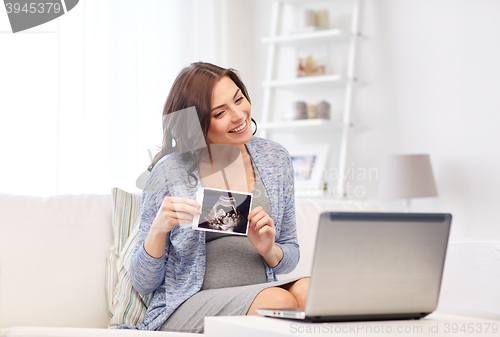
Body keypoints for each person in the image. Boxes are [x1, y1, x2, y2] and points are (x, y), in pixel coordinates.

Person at [130, 62, 309, 333]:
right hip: (188, 303)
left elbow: (290, 254)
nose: (239, 115)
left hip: (260, 289)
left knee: (311, 292)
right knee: (278, 301)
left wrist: (268, 249)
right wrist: (157, 229)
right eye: (220, 113)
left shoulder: (275, 158)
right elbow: (143, 283)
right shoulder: (170, 171)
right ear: (197, 124)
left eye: (239, 99)